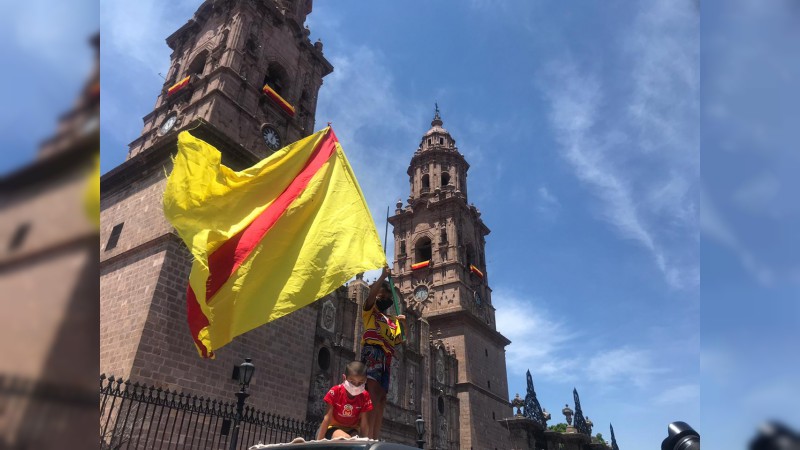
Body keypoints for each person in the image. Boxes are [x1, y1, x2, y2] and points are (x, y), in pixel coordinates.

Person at [360, 265, 405, 440]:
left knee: (381, 398)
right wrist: (382, 277)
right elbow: (371, 296)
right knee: (371, 394)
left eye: (387, 297)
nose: (384, 299)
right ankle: (366, 436)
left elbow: (400, 340)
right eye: (381, 296)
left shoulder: (391, 321)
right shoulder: (370, 312)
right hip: (373, 352)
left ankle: (375, 436)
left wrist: (404, 323)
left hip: (386, 359)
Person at [317, 361, 373, 440]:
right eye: (352, 382)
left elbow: (364, 424)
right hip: (332, 428)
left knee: (356, 440)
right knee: (346, 439)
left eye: (360, 383)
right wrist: (318, 442)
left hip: (352, 430)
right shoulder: (335, 391)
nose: (356, 386)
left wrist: (364, 442)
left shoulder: (364, 396)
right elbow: (327, 418)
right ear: (344, 378)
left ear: (365, 381)